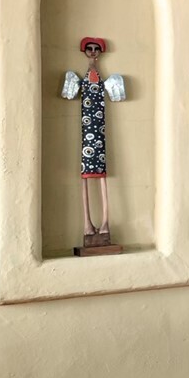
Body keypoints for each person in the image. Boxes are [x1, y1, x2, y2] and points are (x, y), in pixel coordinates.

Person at [61, 37, 126, 251]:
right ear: (85, 51)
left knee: (101, 176)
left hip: (99, 133)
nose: (92, 52)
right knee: (86, 177)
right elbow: (71, 93)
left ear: (99, 51)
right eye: (88, 48)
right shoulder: (82, 79)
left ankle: (105, 223)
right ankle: (87, 225)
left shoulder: (102, 80)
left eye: (95, 49)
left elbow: (113, 94)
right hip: (86, 136)